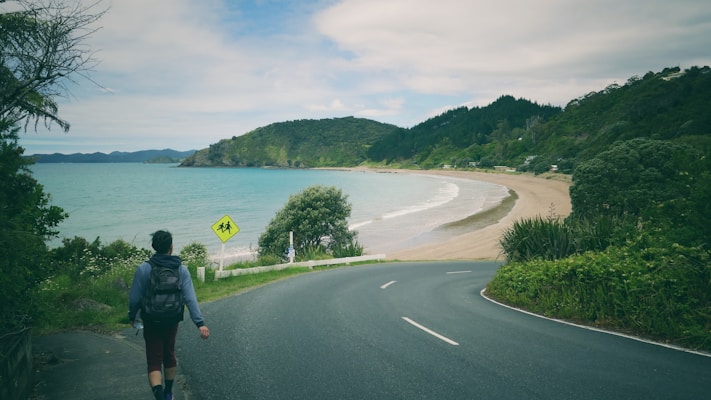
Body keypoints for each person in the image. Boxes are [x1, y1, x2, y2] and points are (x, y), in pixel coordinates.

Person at [129, 230, 210, 400]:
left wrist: (133, 316)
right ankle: (168, 394)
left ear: (153, 247)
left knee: (154, 359)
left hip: (151, 320)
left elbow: (135, 299)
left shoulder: (144, 269)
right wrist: (199, 323)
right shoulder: (181, 269)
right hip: (172, 319)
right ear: (171, 247)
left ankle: (159, 395)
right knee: (169, 354)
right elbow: (190, 299)